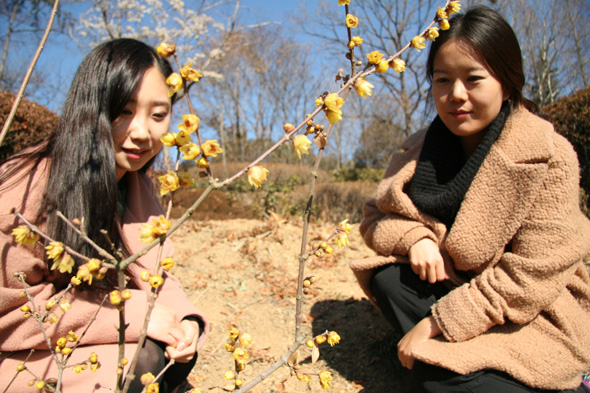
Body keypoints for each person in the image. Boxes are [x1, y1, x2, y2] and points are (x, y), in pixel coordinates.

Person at [350, 6, 590, 393]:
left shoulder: (549, 155)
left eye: (474, 79)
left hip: (532, 310)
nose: (455, 96)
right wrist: (417, 239)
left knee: (437, 378)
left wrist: (435, 324)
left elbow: (529, 278)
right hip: (461, 288)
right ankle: (466, 364)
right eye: (442, 80)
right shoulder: (417, 150)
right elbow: (375, 218)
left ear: (507, 84)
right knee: (390, 278)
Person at [0, 39, 209, 392]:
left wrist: (186, 322)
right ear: (90, 109)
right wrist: (131, 318)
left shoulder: (139, 187)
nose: (142, 133)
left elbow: (159, 277)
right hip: (19, 356)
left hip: (81, 342)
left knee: (165, 356)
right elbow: (10, 316)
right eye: (124, 112)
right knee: (142, 360)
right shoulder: (25, 193)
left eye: (158, 115)